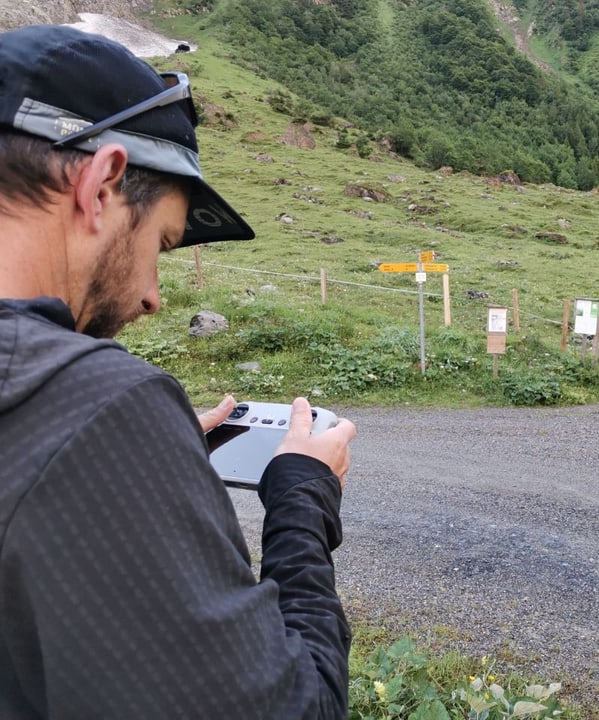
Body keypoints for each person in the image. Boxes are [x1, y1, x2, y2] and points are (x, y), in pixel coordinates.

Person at [0, 25, 357, 719]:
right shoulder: (95, 408)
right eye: (160, 243)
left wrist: (124, 468)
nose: (153, 296)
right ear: (100, 185)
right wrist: (302, 499)